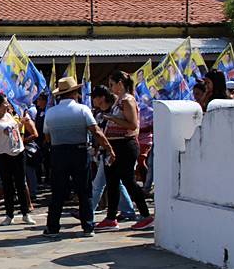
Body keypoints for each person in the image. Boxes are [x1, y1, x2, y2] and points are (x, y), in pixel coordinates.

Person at [42, 78, 115, 237]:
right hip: (79, 151)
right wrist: (108, 147)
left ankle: (52, 227)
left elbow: (47, 136)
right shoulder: (83, 110)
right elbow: (96, 131)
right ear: (74, 93)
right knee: (84, 191)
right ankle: (88, 226)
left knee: (57, 192)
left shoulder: (51, 112)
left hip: (58, 153)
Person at [96, 71, 153, 231]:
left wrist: (111, 118)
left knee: (128, 181)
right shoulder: (119, 100)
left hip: (125, 145)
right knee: (112, 181)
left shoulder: (127, 100)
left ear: (120, 83)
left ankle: (145, 215)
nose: (110, 88)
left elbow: (133, 125)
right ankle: (111, 218)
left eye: (112, 84)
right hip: (115, 145)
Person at [0, 94, 35, 226]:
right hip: (3, 156)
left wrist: (21, 122)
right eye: (5, 103)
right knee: (8, 185)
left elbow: (14, 129)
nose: (7, 105)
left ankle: (25, 213)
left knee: (21, 184)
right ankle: (9, 215)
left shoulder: (9, 115)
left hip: (18, 152)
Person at [90, 86, 136, 219]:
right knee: (116, 183)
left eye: (94, 97)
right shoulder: (98, 114)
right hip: (104, 152)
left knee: (99, 184)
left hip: (114, 151)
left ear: (102, 98)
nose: (93, 100)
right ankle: (128, 210)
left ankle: (88, 211)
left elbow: (131, 126)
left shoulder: (115, 112)